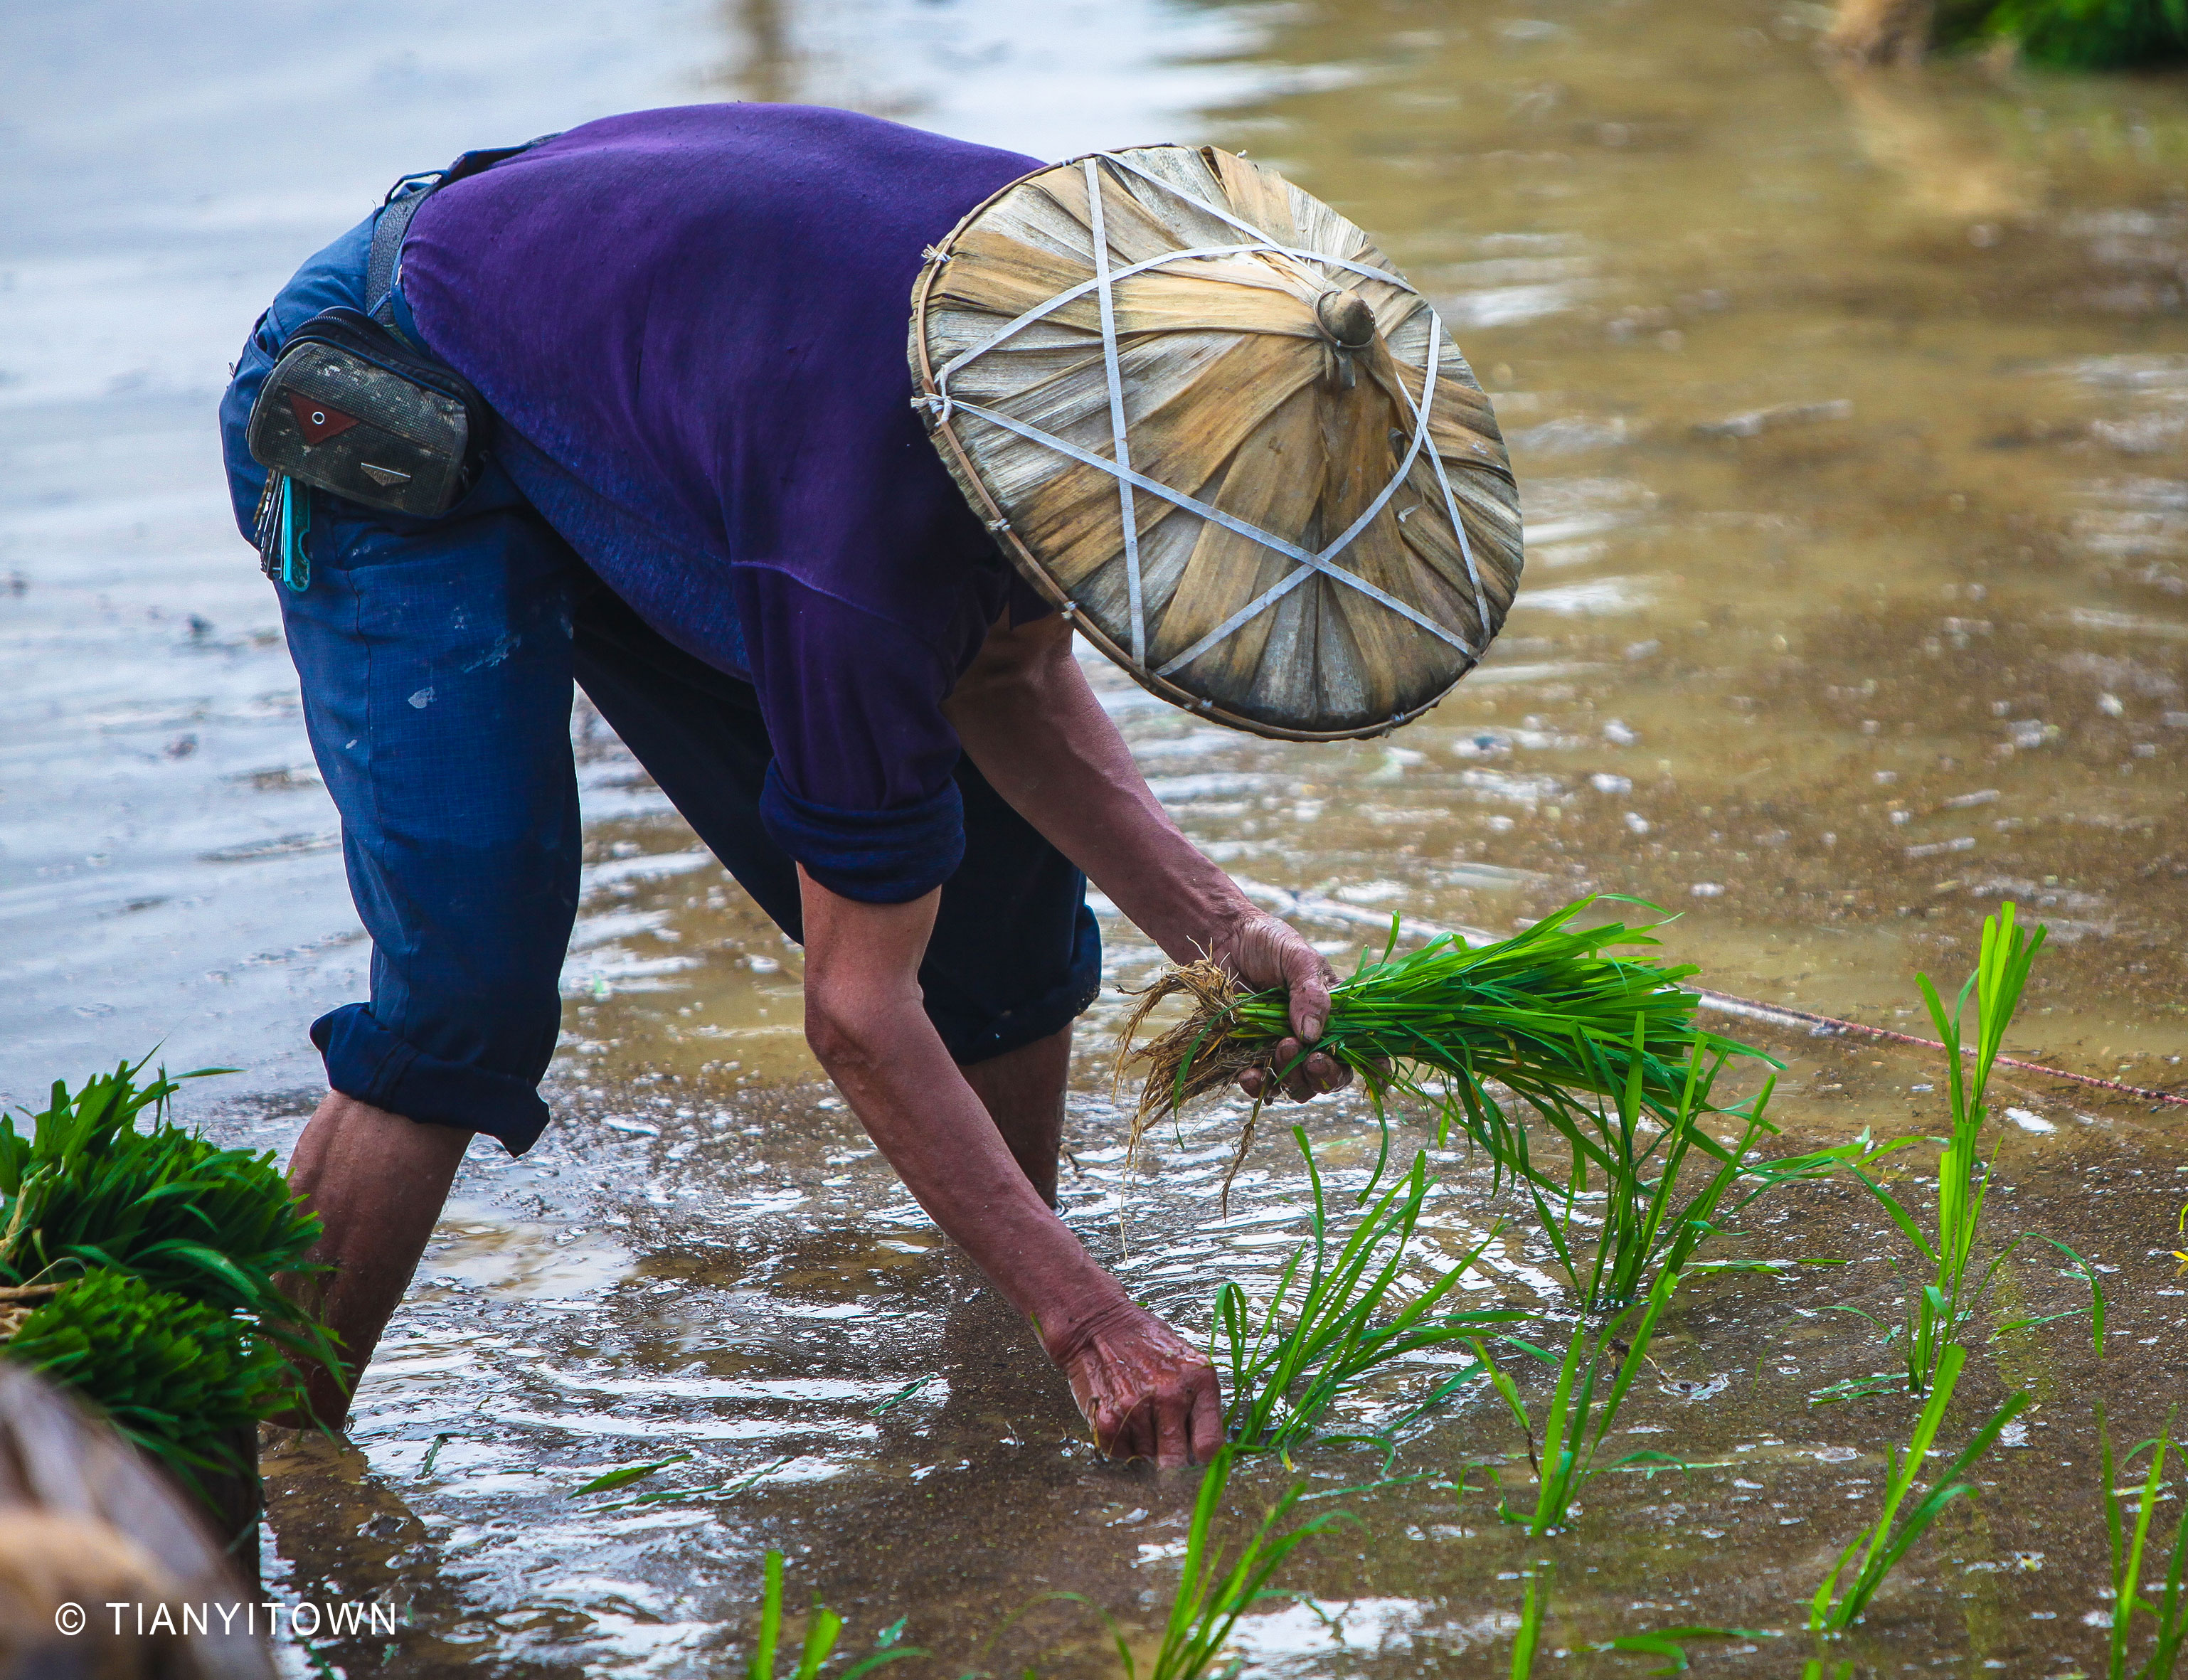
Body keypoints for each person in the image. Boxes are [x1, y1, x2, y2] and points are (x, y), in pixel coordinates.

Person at [218, 105, 1362, 1469]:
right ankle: (267, 1460)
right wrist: (1092, 1316)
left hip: (669, 412)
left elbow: (1004, 677)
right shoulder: (865, 548)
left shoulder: (1095, 345)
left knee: (996, 918)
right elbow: (855, 1012)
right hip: (395, 389)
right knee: (469, 986)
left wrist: (1219, 928)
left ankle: (992, 1373)